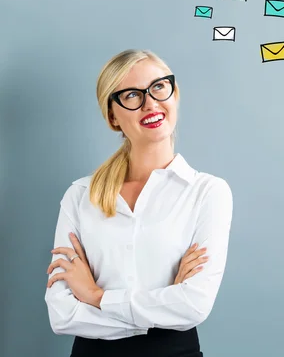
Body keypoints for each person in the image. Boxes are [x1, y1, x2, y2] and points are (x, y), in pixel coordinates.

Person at [44, 49, 233, 357]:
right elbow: (62, 314)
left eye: (159, 87)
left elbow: (194, 306)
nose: (150, 103)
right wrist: (163, 305)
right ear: (112, 116)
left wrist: (94, 296)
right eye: (132, 95)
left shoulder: (208, 192)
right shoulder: (80, 196)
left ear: (175, 94)